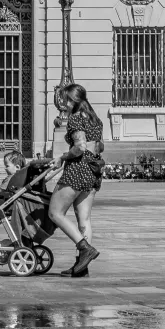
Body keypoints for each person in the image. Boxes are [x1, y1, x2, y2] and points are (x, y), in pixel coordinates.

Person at [45, 83, 104, 278]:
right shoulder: (95, 119)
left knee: (55, 212)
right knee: (84, 219)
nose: (65, 104)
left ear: (75, 100)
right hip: (93, 170)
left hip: (78, 170)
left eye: (68, 100)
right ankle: (81, 266)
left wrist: (63, 157)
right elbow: (99, 146)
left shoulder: (76, 119)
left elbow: (80, 146)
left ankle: (84, 248)